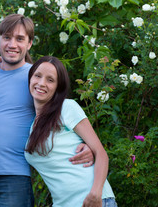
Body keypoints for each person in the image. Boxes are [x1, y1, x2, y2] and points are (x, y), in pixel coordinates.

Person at [0, 14, 94, 206]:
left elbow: (62, 116)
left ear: (30, 43)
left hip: (14, 178)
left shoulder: (37, 77)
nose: (12, 44)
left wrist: (88, 146)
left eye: (20, 39)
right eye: (7, 37)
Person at [25, 56, 117, 207]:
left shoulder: (67, 107)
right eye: (38, 76)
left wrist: (96, 193)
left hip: (92, 200)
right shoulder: (33, 125)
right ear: (30, 78)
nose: (41, 83)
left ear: (58, 87)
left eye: (50, 80)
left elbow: (101, 154)